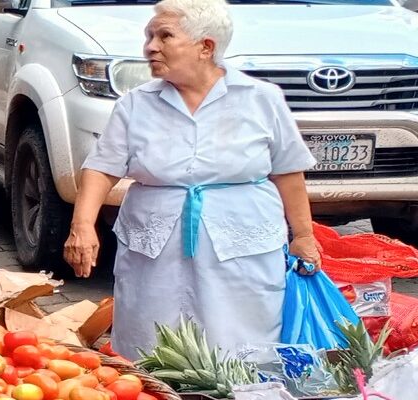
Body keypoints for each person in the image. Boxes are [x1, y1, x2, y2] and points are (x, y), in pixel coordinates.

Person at [63, 0, 322, 360]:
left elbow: (288, 170)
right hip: (154, 244)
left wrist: (305, 236)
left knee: (242, 336)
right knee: (150, 336)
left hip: (241, 242)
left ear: (206, 47)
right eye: (149, 36)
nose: (150, 46)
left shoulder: (260, 99)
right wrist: (82, 225)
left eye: (164, 35)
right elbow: (102, 167)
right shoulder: (136, 104)